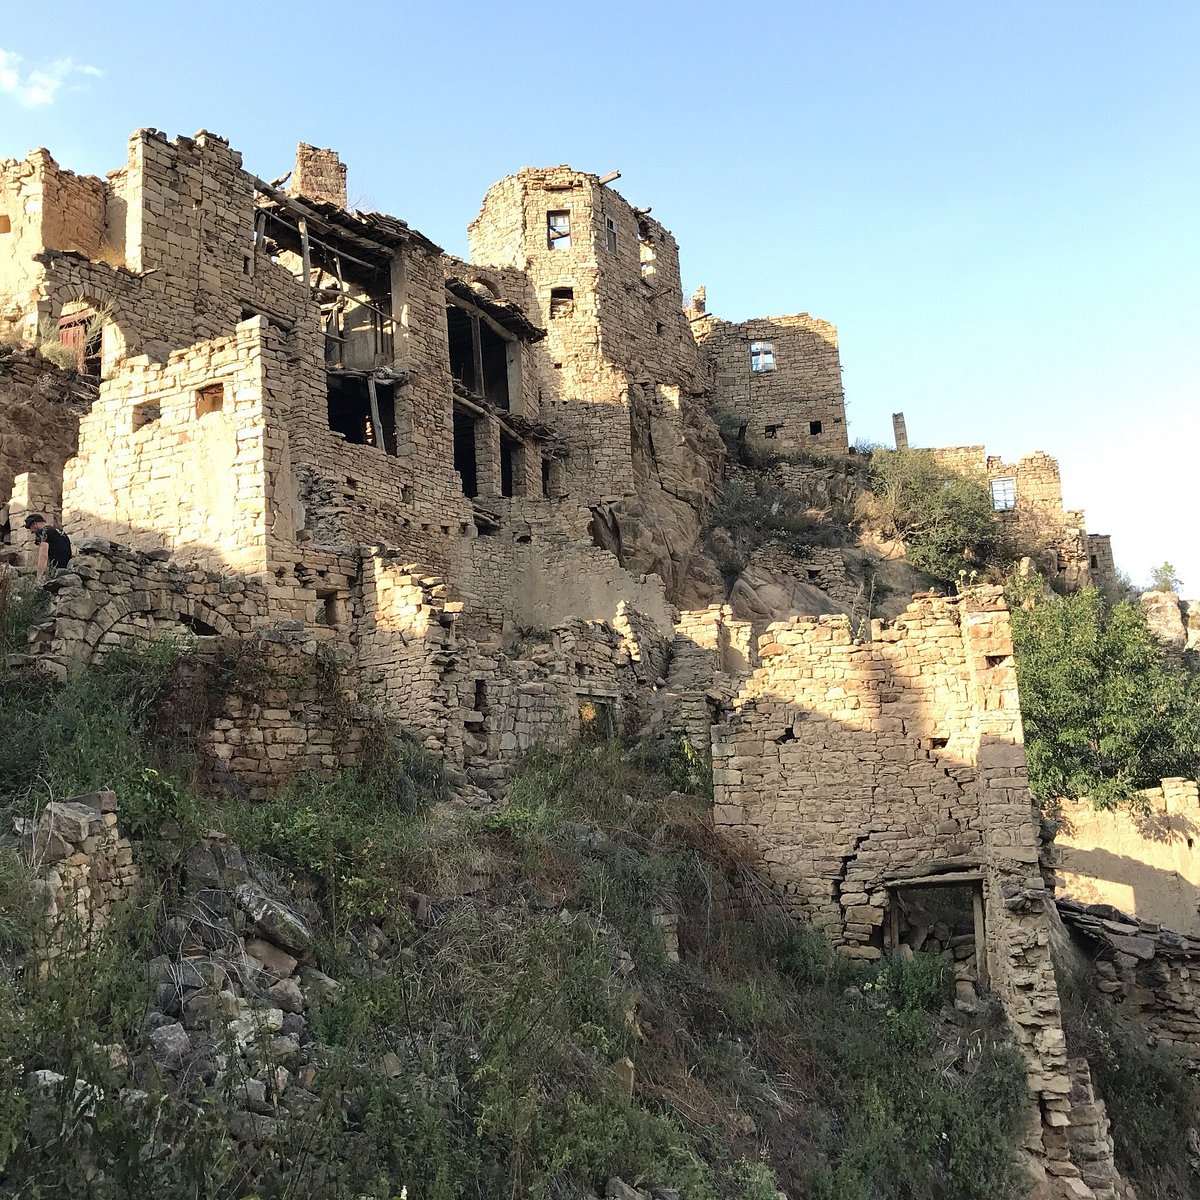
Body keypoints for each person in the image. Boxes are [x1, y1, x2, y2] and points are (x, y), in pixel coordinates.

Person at [23, 513, 72, 581]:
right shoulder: (60, 531)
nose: (32, 531)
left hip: (57, 571)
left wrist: (39, 576)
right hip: (68, 569)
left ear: (35, 523)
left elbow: (43, 555)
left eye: (31, 528)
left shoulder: (43, 532)